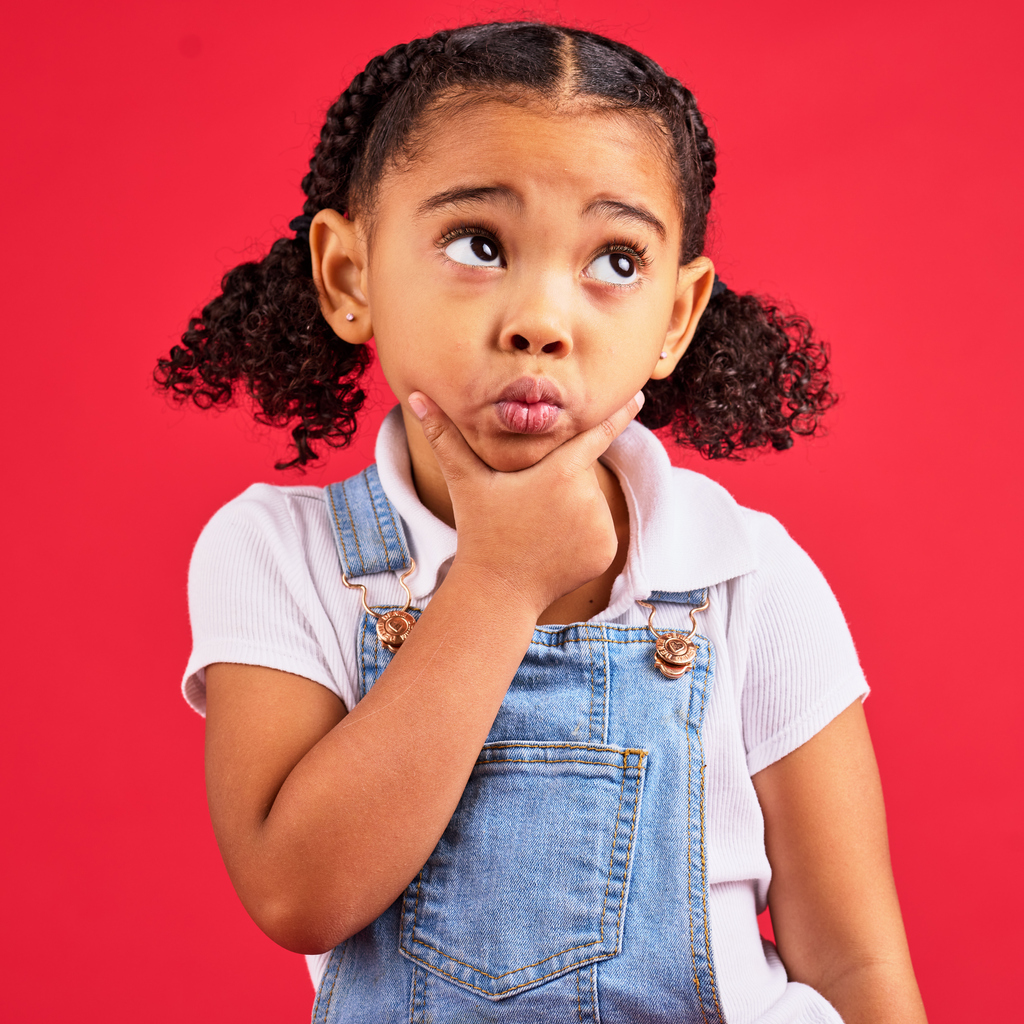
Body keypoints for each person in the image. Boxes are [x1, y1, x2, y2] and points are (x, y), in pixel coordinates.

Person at [156, 22, 927, 1024]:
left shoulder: (744, 574)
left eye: (614, 258)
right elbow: (301, 890)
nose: (541, 319)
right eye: (479, 244)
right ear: (349, 275)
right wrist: (500, 580)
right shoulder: (285, 554)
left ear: (677, 317)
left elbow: (855, 963)